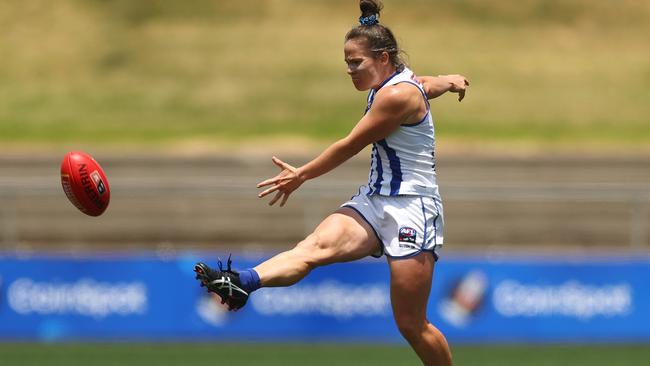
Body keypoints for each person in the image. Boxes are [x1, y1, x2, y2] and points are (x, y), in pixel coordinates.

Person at [194, 1, 468, 364]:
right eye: (347, 63)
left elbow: (350, 145)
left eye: (357, 62)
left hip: (413, 210)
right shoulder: (399, 82)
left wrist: (301, 174)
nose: (350, 70)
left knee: (411, 324)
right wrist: (450, 81)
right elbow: (428, 84)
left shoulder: (397, 95)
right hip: (375, 201)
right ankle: (243, 282)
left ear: (383, 58)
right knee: (313, 248)